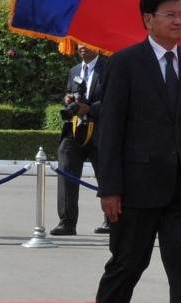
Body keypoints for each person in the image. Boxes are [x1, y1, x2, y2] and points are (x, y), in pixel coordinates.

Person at [95, 0, 181, 303]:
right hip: (136, 191)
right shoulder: (125, 63)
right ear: (149, 19)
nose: (179, 20)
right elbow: (111, 131)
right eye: (170, 15)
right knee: (126, 267)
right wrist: (109, 189)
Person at [52, 44, 109, 236]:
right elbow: (72, 94)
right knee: (66, 167)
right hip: (75, 130)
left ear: (98, 45)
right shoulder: (74, 70)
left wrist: (91, 109)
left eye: (86, 42)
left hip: (100, 131)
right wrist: (68, 100)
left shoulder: (109, 68)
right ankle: (66, 221)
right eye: (79, 43)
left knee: (106, 174)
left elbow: (114, 99)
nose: (82, 46)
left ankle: (111, 219)